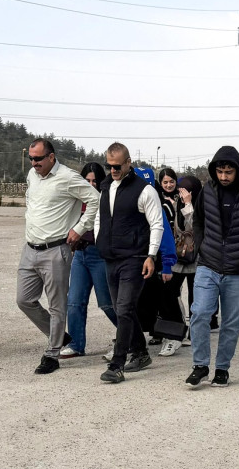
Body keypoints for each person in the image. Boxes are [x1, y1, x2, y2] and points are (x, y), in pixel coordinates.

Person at [185, 146, 239, 388]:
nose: (223, 177)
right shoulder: (207, 190)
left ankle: (222, 368)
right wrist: (201, 245)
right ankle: (200, 366)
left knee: (231, 323)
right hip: (208, 264)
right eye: (220, 171)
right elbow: (198, 219)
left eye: (228, 172)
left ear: (238, 170)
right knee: (199, 313)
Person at [16, 137, 100, 376]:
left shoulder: (68, 177)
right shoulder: (32, 175)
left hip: (56, 250)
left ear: (51, 157)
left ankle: (52, 354)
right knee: (24, 300)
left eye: (38, 159)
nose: (34, 163)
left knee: (57, 306)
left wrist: (80, 228)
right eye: (31, 158)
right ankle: (60, 336)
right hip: (30, 248)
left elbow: (95, 199)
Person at [94, 143, 165, 384]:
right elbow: (100, 217)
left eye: (117, 166)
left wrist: (151, 255)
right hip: (110, 258)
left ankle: (117, 365)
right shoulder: (106, 187)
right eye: (109, 166)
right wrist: (100, 241)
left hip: (134, 258)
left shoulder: (145, 190)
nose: (112, 170)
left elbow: (157, 224)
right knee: (122, 309)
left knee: (124, 309)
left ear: (128, 163)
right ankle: (141, 352)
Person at [61, 163, 117, 358]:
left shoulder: (106, 200)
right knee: (74, 301)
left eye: (95, 181)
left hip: (99, 255)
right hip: (80, 254)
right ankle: (76, 344)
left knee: (107, 302)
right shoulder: (75, 201)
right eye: (87, 181)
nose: (91, 185)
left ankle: (130, 338)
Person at [133, 167, 179, 354]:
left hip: (157, 261)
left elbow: (166, 238)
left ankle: (174, 337)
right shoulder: (129, 204)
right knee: (142, 302)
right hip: (137, 261)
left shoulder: (157, 206)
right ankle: (134, 339)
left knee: (166, 301)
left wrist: (167, 264)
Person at [160, 173, 200, 355]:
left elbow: (194, 227)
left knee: (195, 298)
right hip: (180, 257)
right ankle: (176, 329)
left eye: (187, 190)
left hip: (197, 258)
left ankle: (195, 332)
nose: (183, 193)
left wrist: (189, 205)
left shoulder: (200, 205)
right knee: (168, 291)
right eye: (181, 190)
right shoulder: (176, 204)